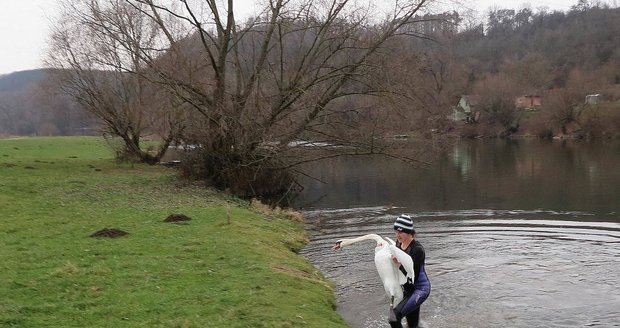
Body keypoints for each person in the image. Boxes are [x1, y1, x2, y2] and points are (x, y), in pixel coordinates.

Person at [389, 214, 431, 328]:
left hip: (419, 289)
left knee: (394, 318)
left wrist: (398, 266)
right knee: (412, 325)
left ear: (409, 232)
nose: (397, 235)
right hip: (407, 287)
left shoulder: (417, 250)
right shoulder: (398, 243)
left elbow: (412, 281)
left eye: (400, 232)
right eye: (395, 232)